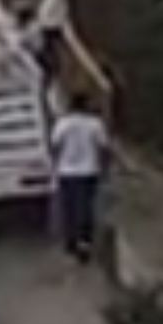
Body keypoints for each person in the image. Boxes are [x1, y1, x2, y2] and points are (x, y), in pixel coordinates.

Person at [49, 87, 111, 263]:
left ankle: (70, 240)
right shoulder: (95, 124)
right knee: (86, 207)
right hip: (89, 171)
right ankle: (85, 241)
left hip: (67, 171)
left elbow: (55, 146)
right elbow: (104, 148)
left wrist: (54, 165)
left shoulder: (63, 124)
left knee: (69, 208)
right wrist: (105, 169)